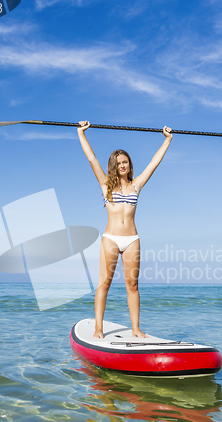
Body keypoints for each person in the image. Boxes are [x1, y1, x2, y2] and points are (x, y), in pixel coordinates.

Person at [77, 121, 172, 338]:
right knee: (105, 283)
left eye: (125, 162)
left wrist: (167, 140)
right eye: (119, 163)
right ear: (113, 165)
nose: (122, 165)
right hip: (110, 238)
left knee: (133, 285)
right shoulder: (105, 184)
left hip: (132, 239)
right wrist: (81, 133)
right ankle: (98, 329)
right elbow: (91, 158)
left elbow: (153, 164)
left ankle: (136, 328)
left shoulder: (136, 185)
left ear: (129, 164)